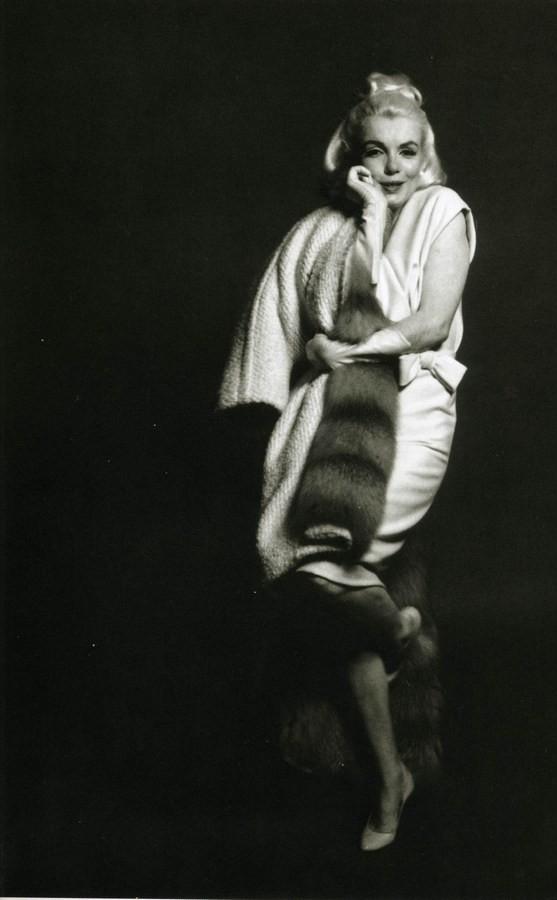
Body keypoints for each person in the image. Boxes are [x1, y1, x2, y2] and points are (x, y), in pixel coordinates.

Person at [219, 72, 476, 850]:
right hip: (340, 419)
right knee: (328, 597)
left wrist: (347, 346)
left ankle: (395, 639)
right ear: (355, 155)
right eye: (376, 152)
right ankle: (391, 781)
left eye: (407, 151)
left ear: (426, 154)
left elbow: (423, 323)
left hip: (414, 412)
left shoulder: (443, 210)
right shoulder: (336, 228)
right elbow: (316, 323)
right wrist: (322, 342)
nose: (392, 167)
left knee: (333, 573)